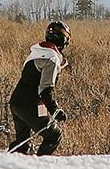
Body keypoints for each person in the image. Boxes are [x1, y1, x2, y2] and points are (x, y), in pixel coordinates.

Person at [10, 20, 68, 154]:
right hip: (29, 105)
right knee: (54, 135)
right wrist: (55, 110)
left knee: (22, 144)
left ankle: (9, 166)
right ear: (64, 40)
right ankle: (40, 168)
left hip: (16, 103)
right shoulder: (52, 58)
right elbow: (45, 89)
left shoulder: (35, 52)